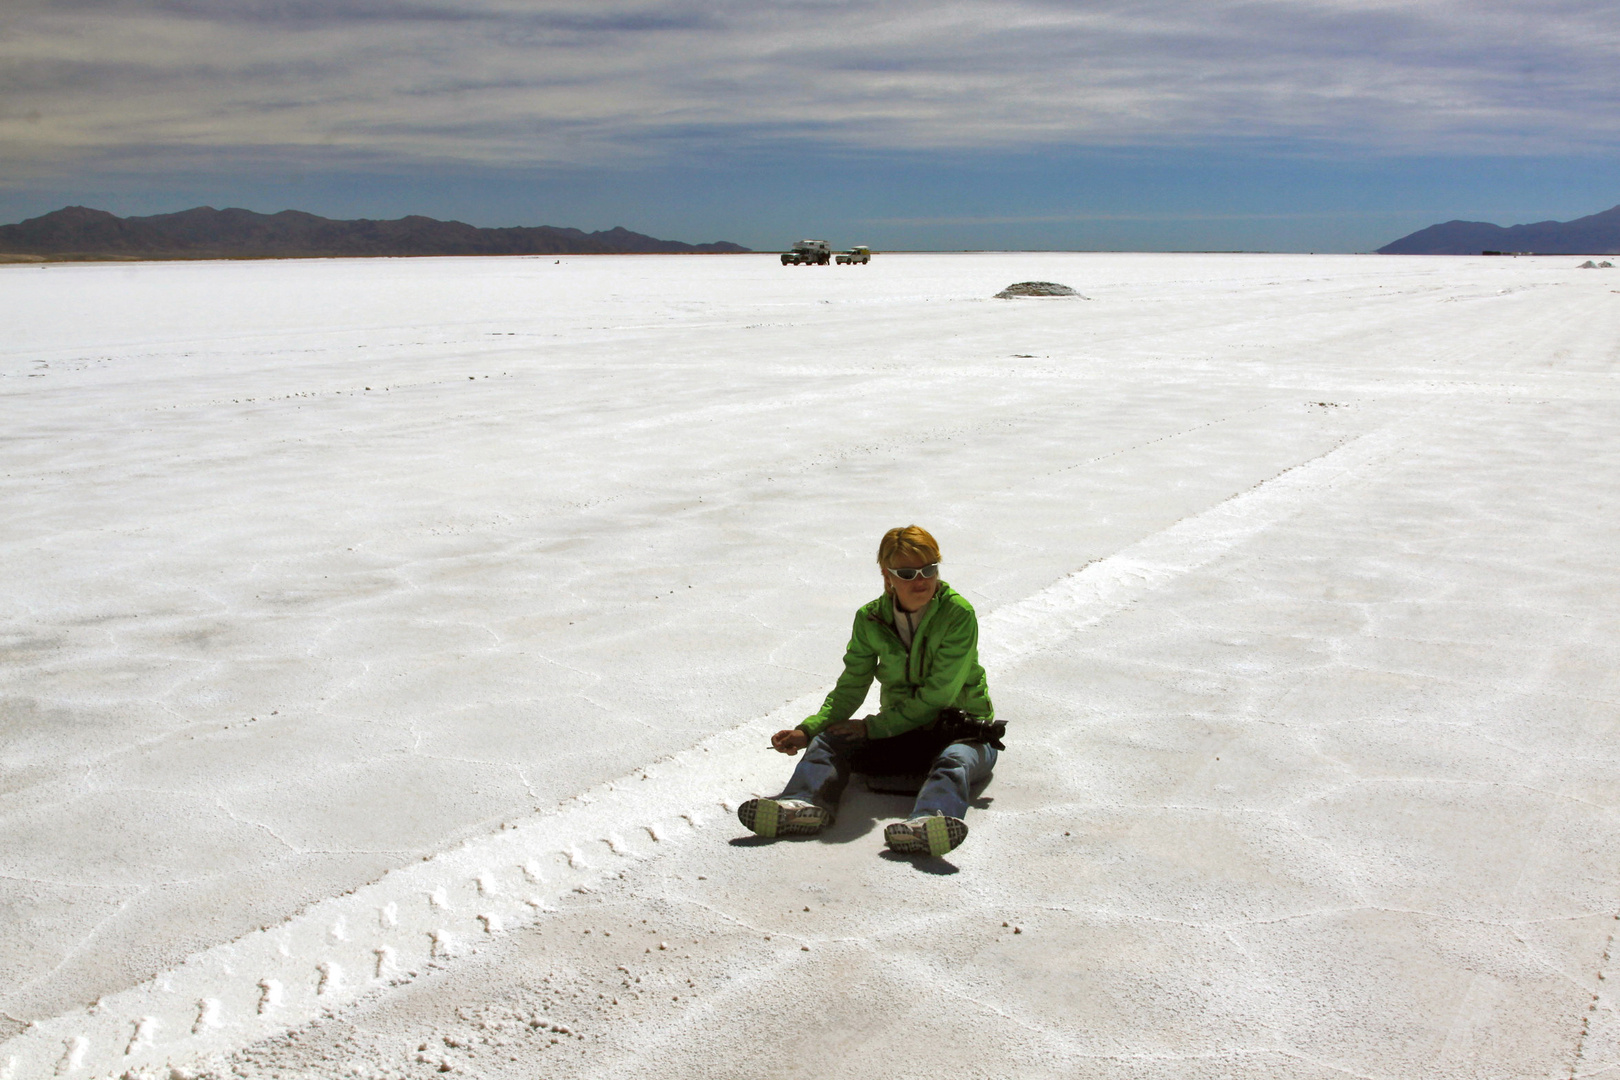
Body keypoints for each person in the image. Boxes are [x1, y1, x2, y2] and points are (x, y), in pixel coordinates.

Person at [737, 526, 1003, 857]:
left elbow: (940, 696)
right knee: (831, 739)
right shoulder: (870, 619)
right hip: (904, 734)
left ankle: (929, 822)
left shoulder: (957, 614)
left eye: (929, 569)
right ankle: (803, 804)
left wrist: (872, 727)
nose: (920, 580)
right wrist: (809, 729)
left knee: (955, 760)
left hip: (963, 733)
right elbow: (851, 685)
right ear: (887, 575)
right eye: (907, 573)